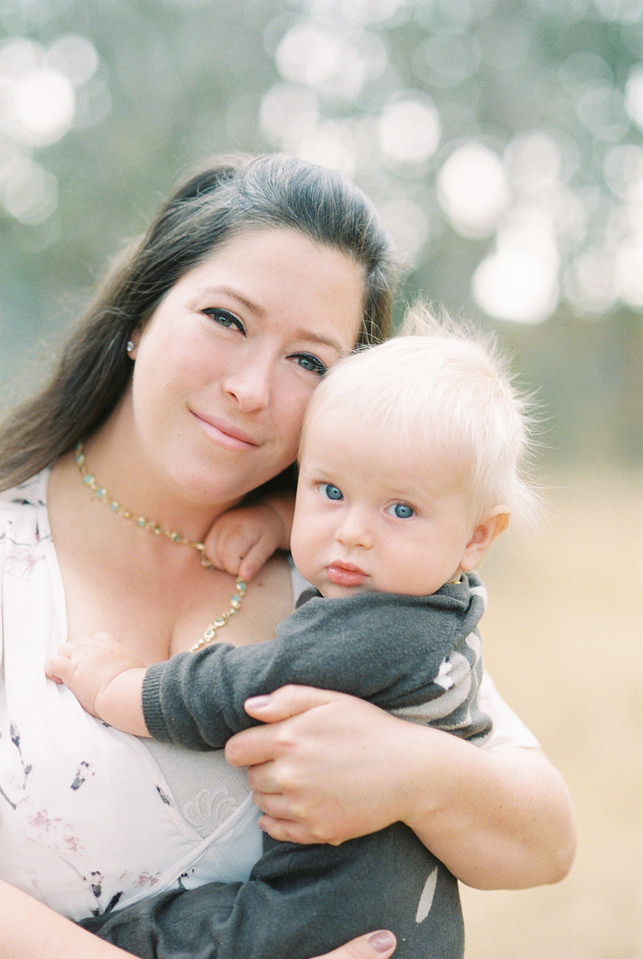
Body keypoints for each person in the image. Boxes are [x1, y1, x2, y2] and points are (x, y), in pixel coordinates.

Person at [0, 154, 575, 959]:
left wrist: (412, 770)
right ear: (141, 313)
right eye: (226, 320)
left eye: (309, 360)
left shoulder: (346, 563)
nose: (251, 388)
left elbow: (545, 842)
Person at [46, 306, 540, 959]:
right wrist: (282, 519)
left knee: (151, 933)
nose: (354, 532)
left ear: (476, 535)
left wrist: (115, 684)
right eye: (329, 490)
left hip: (319, 924)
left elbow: (238, 688)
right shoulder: (445, 609)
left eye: (400, 509)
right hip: (412, 925)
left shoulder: (371, 629)